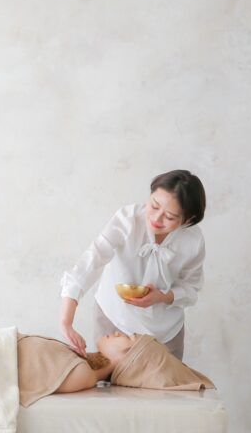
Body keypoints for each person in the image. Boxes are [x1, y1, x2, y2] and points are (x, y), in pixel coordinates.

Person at [59, 169, 207, 361]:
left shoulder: (193, 241)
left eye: (169, 217)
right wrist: (66, 321)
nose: (156, 218)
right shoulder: (128, 219)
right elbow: (93, 258)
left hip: (166, 331)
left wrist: (162, 297)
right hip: (114, 320)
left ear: (188, 220)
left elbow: (191, 288)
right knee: (109, 378)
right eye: (154, 205)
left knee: (169, 380)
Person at [17, 330, 215, 407]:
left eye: (128, 337)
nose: (118, 332)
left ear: (128, 358)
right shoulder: (79, 363)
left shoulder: (82, 374)